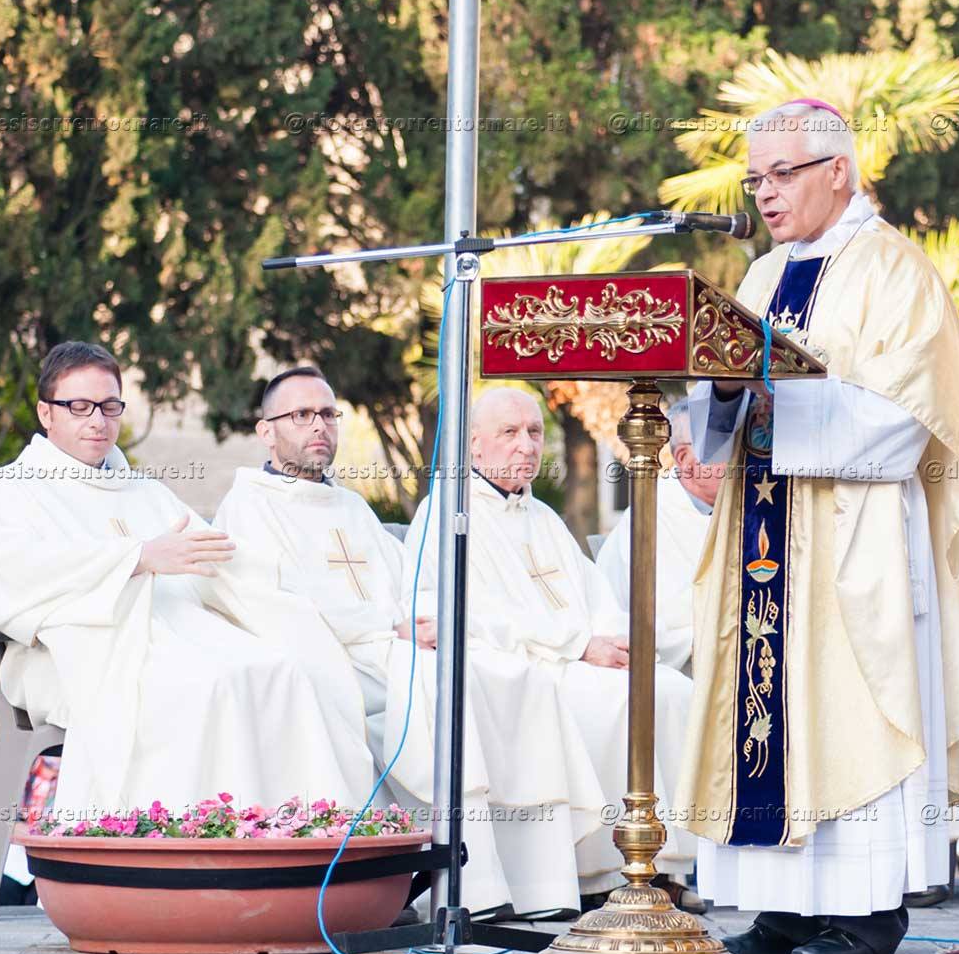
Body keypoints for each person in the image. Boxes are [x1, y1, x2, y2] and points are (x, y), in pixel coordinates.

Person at [680, 100, 959, 954]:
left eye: (782, 174)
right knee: (769, 710)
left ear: (838, 171)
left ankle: (866, 914)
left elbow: (906, 418)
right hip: (763, 537)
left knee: (846, 708)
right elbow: (717, 401)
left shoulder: (897, 271)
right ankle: (784, 908)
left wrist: (777, 408)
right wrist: (717, 402)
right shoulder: (760, 275)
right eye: (754, 178)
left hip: (851, 539)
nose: (764, 194)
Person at [213, 367, 604, 919]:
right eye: (300, 415)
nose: (318, 426)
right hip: (333, 658)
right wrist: (387, 625)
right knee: (448, 688)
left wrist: (415, 618)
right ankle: (469, 889)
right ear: (266, 431)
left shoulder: (350, 506)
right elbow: (268, 603)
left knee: (512, 676)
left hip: (388, 649)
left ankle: (537, 885)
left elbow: (407, 579)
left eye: (327, 414)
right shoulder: (249, 506)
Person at [0, 341, 372, 836]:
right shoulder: (17, 487)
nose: (98, 421)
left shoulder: (144, 491)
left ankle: (284, 836)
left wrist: (291, 590)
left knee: (282, 669)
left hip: (178, 632)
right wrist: (136, 557)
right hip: (73, 650)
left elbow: (217, 555)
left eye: (110, 406)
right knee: (203, 684)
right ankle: (177, 845)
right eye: (80, 406)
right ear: (47, 413)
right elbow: (6, 569)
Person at [409, 387, 694, 909]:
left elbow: (594, 594)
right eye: (509, 433)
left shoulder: (541, 516)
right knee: (621, 703)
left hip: (577, 659)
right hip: (527, 669)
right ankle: (601, 871)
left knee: (670, 690)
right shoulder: (446, 512)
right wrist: (579, 644)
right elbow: (454, 612)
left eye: (534, 432)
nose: (526, 445)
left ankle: (664, 867)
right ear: (473, 445)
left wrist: (617, 642)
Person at [593, 396, 722, 676]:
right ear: (686, 460)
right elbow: (667, 618)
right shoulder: (650, 514)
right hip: (662, 673)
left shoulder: (741, 510)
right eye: (727, 447)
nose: (742, 460)